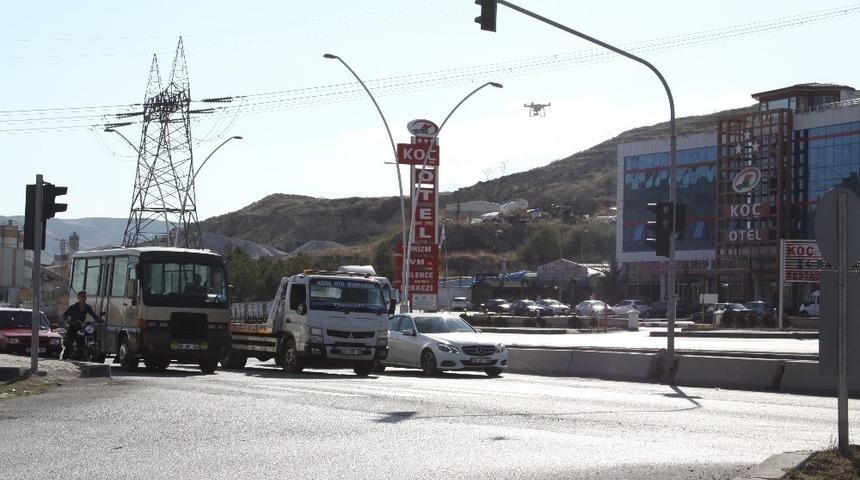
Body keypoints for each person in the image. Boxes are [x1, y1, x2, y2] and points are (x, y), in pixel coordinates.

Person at [61, 291, 101, 360]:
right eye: (82, 296)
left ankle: (86, 352)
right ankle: (65, 357)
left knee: (88, 335)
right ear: (78, 298)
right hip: (73, 326)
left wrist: (99, 319)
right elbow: (65, 314)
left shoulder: (87, 307)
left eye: (85, 297)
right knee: (69, 343)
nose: (83, 298)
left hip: (81, 327)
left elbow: (93, 315)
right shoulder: (73, 307)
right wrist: (67, 320)